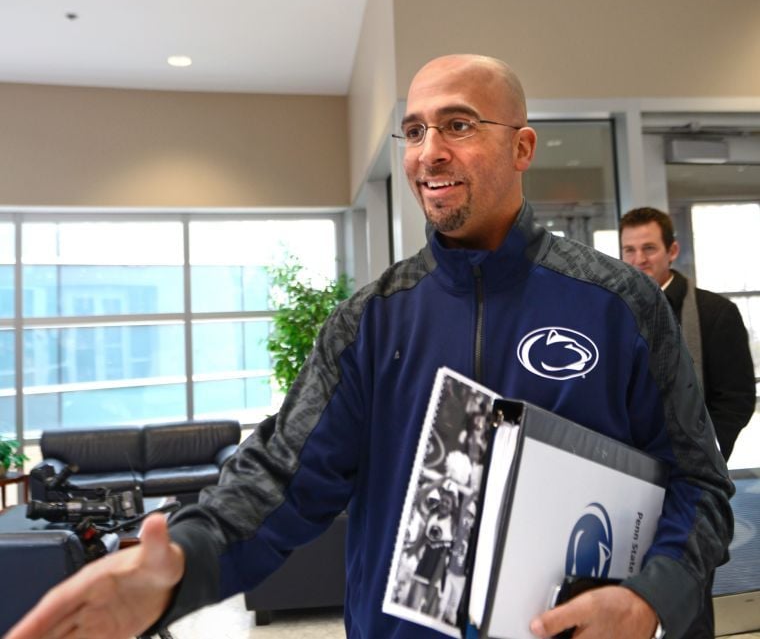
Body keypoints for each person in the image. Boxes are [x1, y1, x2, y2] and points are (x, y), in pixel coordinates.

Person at [6, 54, 733, 639]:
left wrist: (649, 600)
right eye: (414, 131)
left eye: (456, 124)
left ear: (522, 147)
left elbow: (700, 489)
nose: (429, 152)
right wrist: (179, 568)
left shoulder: (621, 305)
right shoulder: (370, 321)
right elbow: (278, 483)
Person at [619, 206, 756, 461]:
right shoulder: (613, 311)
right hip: (628, 460)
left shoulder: (716, 312)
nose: (639, 259)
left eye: (649, 248)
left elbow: (737, 398)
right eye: (629, 250)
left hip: (694, 466)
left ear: (672, 251)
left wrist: (706, 455)